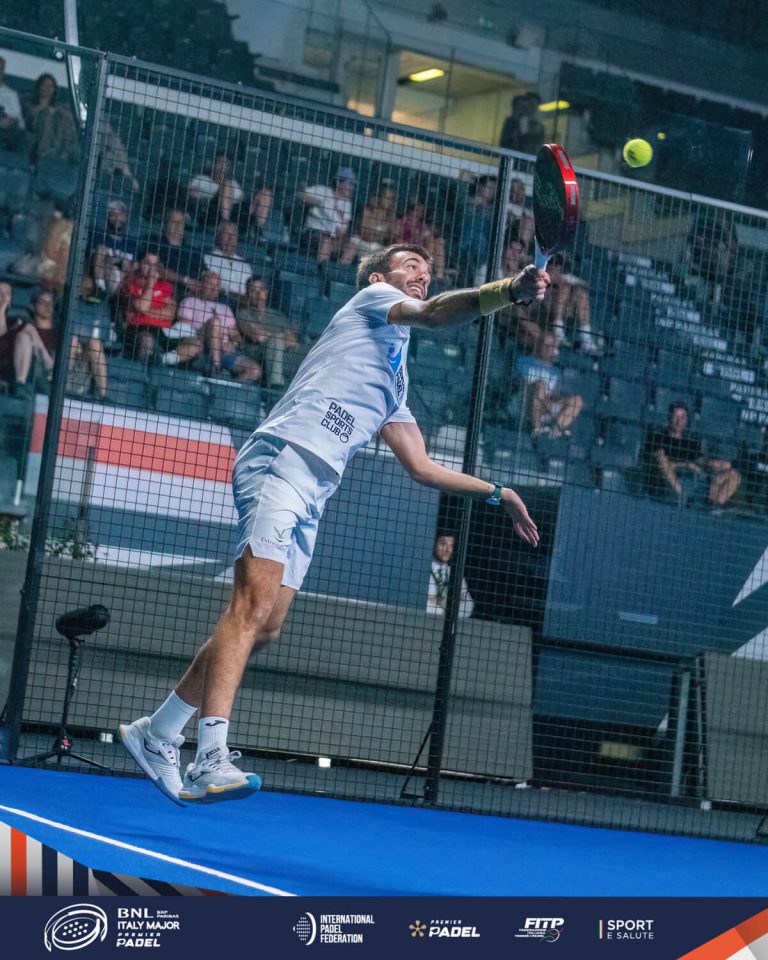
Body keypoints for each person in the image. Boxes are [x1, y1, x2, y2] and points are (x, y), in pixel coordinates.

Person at [119, 242, 546, 804]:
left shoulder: (394, 380)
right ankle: (209, 757)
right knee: (249, 608)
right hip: (281, 459)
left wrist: (499, 492)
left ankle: (158, 732)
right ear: (379, 277)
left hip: (314, 492)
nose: (422, 274)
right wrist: (509, 291)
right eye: (410, 265)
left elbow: (421, 467)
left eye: (427, 269)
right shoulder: (373, 301)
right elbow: (437, 314)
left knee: (266, 627)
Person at [163, 270, 262, 382]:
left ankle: (225, 387)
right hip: (200, 346)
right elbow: (184, 328)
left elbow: (236, 335)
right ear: (201, 284)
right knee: (215, 322)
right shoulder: (189, 301)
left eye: (217, 285)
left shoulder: (226, 308)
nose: (214, 288)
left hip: (224, 351)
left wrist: (232, 343)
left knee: (254, 370)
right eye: (210, 284)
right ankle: (215, 367)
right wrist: (212, 333)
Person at [643, 403, 741, 508]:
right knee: (663, 462)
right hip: (671, 481)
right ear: (669, 417)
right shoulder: (658, 436)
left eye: (682, 418)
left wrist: (719, 464)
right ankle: (683, 497)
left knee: (734, 475)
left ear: (686, 420)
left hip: (694, 479)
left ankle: (715, 505)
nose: (678, 422)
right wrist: (687, 464)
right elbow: (662, 462)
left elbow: (700, 462)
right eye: (675, 417)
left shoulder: (691, 440)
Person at [236, 275, 303, 389]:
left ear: (266, 292)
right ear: (247, 294)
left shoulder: (278, 315)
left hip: (283, 352)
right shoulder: (243, 313)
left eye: (261, 289)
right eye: (253, 290)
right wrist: (280, 337)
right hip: (257, 352)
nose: (258, 294)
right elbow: (259, 337)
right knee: (276, 341)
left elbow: (291, 340)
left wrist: (283, 338)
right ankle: (275, 386)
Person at [516, 329, 583, 437]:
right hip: (527, 402)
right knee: (540, 385)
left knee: (577, 401)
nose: (548, 348)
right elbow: (522, 386)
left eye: (551, 346)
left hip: (547, 403)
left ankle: (555, 430)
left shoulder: (556, 371)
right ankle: (535, 428)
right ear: (539, 345)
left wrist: (562, 398)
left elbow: (554, 394)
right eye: (546, 345)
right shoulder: (524, 362)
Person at [120, 252, 176, 362]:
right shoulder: (130, 284)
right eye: (147, 263)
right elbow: (142, 306)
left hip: (162, 331)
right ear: (140, 264)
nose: (151, 268)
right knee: (147, 340)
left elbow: (170, 314)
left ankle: (164, 359)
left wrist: (146, 312)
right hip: (138, 328)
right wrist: (150, 284)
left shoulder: (165, 286)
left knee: (194, 343)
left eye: (155, 265)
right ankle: (143, 369)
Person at [297, 167, 357, 264]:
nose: (351, 188)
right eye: (349, 183)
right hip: (313, 234)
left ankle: (339, 270)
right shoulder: (322, 191)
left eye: (353, 184)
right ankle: (322, 269)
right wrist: (318, 202)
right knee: (326, 241)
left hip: (335, 237)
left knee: (352, 245)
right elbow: (299, 194)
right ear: (338, 182)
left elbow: (344, 227)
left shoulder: (347, 203)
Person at [83, 200, 139, 302]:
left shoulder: (132, 243)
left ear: (125, 217)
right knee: (102, 251)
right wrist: (114, 260)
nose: (117, 218)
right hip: (102, 272)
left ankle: (118, 295)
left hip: (122, 279)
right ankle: (100, 289)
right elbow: (91, 258)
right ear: (108, 217)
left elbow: (134, 266)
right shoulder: (99, 236)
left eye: (120, 214)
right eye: (113, 215)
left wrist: (118, 261)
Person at [21, 73, 80, 163]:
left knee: (64, 119)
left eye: (51, 86)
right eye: (44, 85)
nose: (48, 89)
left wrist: (56, 112)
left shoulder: (59, 106)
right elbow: (28, 116)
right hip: (36, 130)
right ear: (39, 87)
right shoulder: (28, 102)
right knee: (47, 115)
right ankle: (46, 151)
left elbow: (70, 117)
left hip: (56, 133)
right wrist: (44, 110)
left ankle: (64, 151)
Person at [10, 289, 57, 398]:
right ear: (33, 305)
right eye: (43, 302)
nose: (48, 306)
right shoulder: (24, 326)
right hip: (33, 372)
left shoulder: (59, 330)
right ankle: (20, 385)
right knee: (25, 333)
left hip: (53, 378)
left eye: (50, 302)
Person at [394, 197, 446, 279]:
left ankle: (439, 276)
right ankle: (427, 270)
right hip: (405, 248)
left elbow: (428, 236)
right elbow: (395, 238)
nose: (418, 213)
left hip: (419, 249)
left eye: (420, 211)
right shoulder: (402, 221)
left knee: (438, 241)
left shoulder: (422, 225)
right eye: (416, 210)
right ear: (410, 210)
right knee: (430, 242)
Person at [188, 152, 244, 226]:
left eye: (226, 165)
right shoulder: (201, 179)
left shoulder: (233, 184)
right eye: (220, 163)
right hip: (207, 211)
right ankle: (225, 223)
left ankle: (225, 222)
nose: (222, 167)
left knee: (227, 184)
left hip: (230, 212)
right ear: (213, 164)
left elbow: (239, 200)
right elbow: (191, 195)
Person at [426, 533, 474, 618]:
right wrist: (445, 610)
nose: (447, 550)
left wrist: (445, 608)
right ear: (434, 544)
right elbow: (424, 605)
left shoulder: (456, 574)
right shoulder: (424, 571)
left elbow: (468, 606)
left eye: (451, 545)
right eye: (443, 544)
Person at [203, 221, 253, 301]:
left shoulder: (245, 264)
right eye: (226, 234)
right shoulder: (209, 258)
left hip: (243, 302)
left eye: (234, 235)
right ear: (219, 238)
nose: (230, 238)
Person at [0, 56, 25, 151]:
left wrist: (8, 121)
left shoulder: (11, 94)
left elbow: (20, 123)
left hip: (7, 130)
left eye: (1, 68)